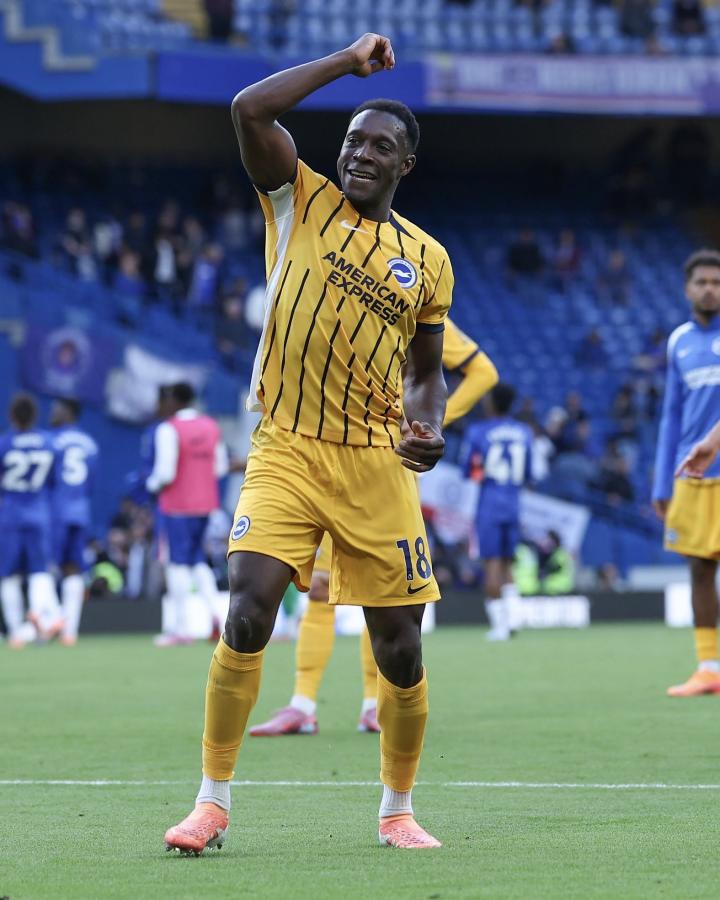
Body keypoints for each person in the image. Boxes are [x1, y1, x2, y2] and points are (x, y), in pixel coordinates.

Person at [164, 33, 452, 855]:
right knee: (248, 607)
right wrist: (342, 64)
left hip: (375, 461)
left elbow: (426, 373)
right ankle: (211, 801)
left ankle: (397, 809)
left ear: (405, 165)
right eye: (354, 140)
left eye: (380, 146)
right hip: (285, 447)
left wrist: (429, 424)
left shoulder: (427, 260)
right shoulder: (298, 199)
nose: (361, 153)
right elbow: (249, 109)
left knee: (400, 649)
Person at [249, 318, 498, 736]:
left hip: (383, 465)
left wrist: (426, 426)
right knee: (320, 588)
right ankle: (303, 704)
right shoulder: (336, 292)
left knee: (382, 594)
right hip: (322, 458)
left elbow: (483, 372)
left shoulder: (413, 304)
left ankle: (372, 703)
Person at [653, 249, 720, 697]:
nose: (709, 289)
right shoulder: (679, 341)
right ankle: (709, 668)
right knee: (699, 567)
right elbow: (671, 415)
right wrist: (662, 481)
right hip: (692, 474)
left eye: (716, 282)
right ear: (687, 289)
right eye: (702, 282)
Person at [146, 382, 229, 646]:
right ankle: (217, 618)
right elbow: (220, 467)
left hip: (176, 506)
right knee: (198, 562)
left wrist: (150, 484)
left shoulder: (169, 428)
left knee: (176, 564)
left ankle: (180, 629)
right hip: (206, 505)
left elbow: (165, 473)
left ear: (173, 400)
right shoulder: (211, 426)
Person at [462, 383, 534, 641]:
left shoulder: (478, 431)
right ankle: (513, 618)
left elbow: (469, 470)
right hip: (513, 505)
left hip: (490, 505)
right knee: (507, 563)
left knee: (491, 564)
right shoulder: (524, 432)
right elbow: (528, 473)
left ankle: (500, 626)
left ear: (491, 402)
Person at [0, 394, 63, 648]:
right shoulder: (49, 443)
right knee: (39, 570)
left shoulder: (4, 443)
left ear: (11, 416)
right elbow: (55, 482)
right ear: (36, 415)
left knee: (8, 574)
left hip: (10, 515)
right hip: (39, 514)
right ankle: (41, 615)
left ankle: (16, 630)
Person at [50, 398, 99, 646]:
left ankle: (49, 621)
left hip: (55, 510)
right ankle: (70, 631)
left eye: (56, 409)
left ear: (68, 412)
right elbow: (90, 483)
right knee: (74, 568)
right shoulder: (90, 444)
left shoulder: (51, 441)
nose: (52, 412)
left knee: (46, 567)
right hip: (80, 510)